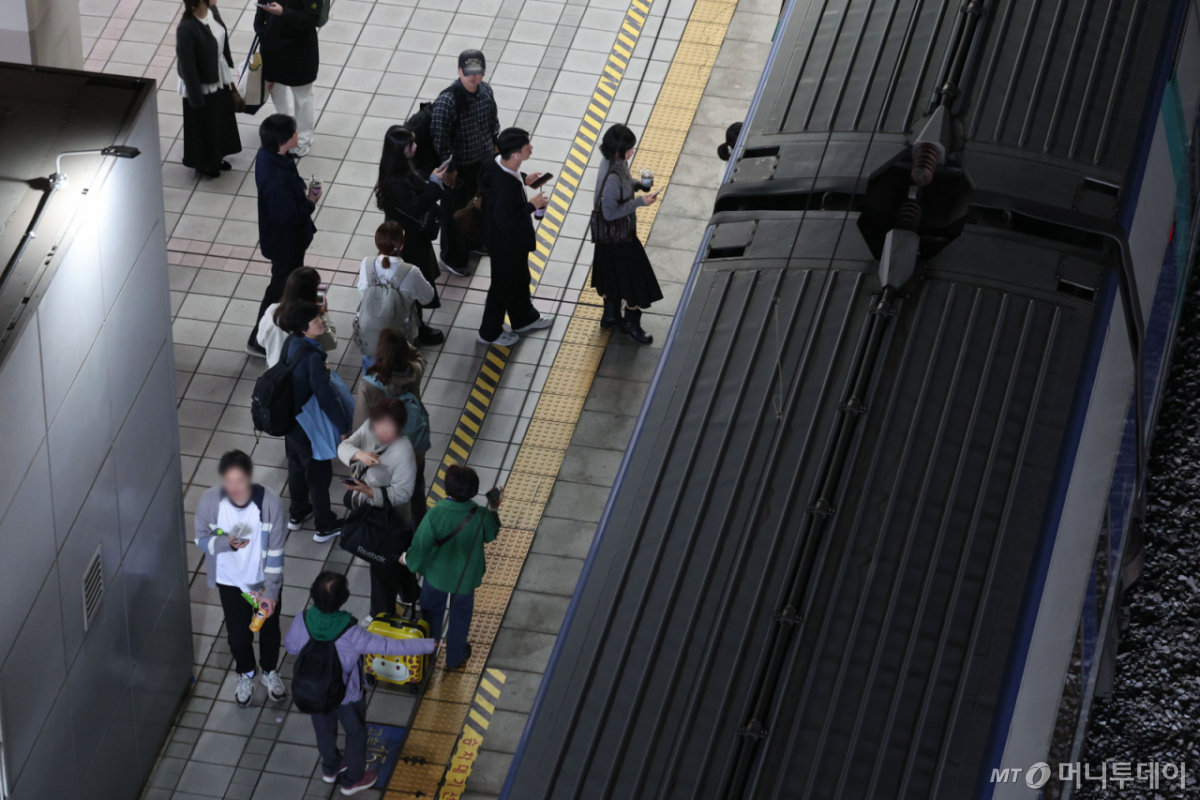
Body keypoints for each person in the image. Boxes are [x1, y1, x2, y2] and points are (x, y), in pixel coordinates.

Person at [285, 572, 436, 795]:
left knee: (323, 729)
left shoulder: (303, 619)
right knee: (355, 734)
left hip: (314, 691)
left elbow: (291, 647)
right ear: (343, 598)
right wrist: (430, 645)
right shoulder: (352, 632)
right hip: (347, 695)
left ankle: (331, 767)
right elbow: (390, 647)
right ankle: (353, 780)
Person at [193, 450, 288, 707]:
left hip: (261, 583)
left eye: (240, 481)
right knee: (237, 637)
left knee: (269, 630)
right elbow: (200, 538)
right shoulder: (211, 501)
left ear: (250, 476)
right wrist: (227, 543)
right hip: (230, 582)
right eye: (229, 481)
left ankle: (269, 671)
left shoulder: (269, 503)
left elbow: (276, 552)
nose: (234, 488)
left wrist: (271, 591)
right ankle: (246, 673)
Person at [405, 465, 501, 669]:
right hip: (465, 579)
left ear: (446, 488)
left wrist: (409, 561)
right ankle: (455, 656)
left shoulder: (435, 514)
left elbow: (420, 546)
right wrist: (494, 507)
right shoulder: (481, 514)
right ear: (474, 490)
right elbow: (491, 534)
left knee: (431, 614)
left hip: (435, 577)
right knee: (460, 616)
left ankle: (427, 657)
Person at [338, 398, 420, 616]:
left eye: (388, 426)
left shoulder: (404, 452)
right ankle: (410, 594)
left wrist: (368, 491)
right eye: (378, 423)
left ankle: (380, 615)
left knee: (381, 564)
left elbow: (402, 493)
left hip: (388, 515)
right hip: (366, 504)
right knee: (394, 558)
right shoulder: (369, 427)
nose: (381, 431)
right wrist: (359, 454)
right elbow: (344, 447)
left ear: (399, 426)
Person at [248, 114, 318, 357]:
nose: (297, 135)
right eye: (294, 133)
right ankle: (259, 340)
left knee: (283, 286)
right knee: (279, 288)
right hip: (285, 243)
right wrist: (310, 202)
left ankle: (281, 327)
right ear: (283, 141)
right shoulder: (276, 178)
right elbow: (287, 217)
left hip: (284, 240)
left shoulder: (270, 156)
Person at [282, 301, 352, 542]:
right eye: (315, 320)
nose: (321, 322)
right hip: (307, 422)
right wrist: (343, 426)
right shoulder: (312, 357)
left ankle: (298, 512)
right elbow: (325, 397)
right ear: (304, 328)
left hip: (290, 418)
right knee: (318, 473)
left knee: (296, 465)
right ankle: (324, 525)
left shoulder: (291, 342)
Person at [475, 128, 553, 346]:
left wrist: (525, 179)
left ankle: (524, 318)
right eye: (527, 146)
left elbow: (507, 179)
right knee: (501, 288)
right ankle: (489, 333)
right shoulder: (505, 187)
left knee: (519, 279)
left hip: (508, 242)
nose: (531, 148)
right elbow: (505, 220)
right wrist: (531, 206)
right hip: (505, 244)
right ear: (516, 154)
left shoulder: (494, 162)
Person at [375, 125, 449, 345]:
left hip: (409, 235)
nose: (415, 146)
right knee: (411, 282)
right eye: (411, 144)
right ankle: (416, 329)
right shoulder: (396, 181)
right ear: (401, 150)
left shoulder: (396, 168)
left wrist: (431, 181)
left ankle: (417, 325)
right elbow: (417, 207)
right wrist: (434, 185)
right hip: (407, 240)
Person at [431, 49, 501, 277]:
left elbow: (492, 121)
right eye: (468, 71)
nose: (473, 76)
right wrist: (450, 167)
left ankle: (473, 241)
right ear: (459, 70)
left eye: (477, 71)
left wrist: (495, 147)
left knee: (477, 204)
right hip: (458, 169)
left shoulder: (486, 91)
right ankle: (452, 256)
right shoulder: (448, 100)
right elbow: (440, 137)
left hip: (481, 161)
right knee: (454, 211)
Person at [593, 124, 662, 345]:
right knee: (634, 280)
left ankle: (611, 316)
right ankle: (631, 324)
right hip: (620, 238)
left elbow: (620, 189)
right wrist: (639, 202)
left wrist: (636, 184)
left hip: (606, 239)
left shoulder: (612, 162)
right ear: (617, 150)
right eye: (628, 149)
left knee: (611, 276)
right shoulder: (612, 178)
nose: (632, 152)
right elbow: (610, 212)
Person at [353, 328, 429, 524]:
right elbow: (419, 356)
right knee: (416, 488)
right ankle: (420, 528)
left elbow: (361, 425)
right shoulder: (415, 371)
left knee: (390, 496)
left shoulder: (369, 386)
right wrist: (401, 345)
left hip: (385, 456)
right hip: (415, 447)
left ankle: (395, 533)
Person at [175, 0, 241, 178]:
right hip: (201, 83)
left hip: (217, 75)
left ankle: (218, 156)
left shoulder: (212, 11)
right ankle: (204, 163)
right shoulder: (186, 29)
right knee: (204, 123)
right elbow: (187, 66)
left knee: (220, 118)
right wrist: (196, 97)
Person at [356, 221, 436, 365]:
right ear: (401, 245)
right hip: (400, 337)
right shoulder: (411, 272)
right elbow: (428, 297)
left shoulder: (366, 263)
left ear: (377, 244)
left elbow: (362, 291)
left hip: (369, 334)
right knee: (401, 368)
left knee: (371, 368)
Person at [254, 0, 318, 157]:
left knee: (302, 97)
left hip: (299, 51)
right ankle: (284, 132)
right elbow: (261, 10)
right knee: (278, 93)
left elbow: (311, 18)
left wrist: (283, 12)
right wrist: (262, 30)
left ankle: (303, 138)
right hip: (273, 48)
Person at [256, 266, 336, 366]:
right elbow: (331, 343)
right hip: (305, 372)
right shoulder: (311, 320)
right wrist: (322, 314)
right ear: (312, 294)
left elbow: (260, 341)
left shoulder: (273, 310)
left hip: (276, 369)